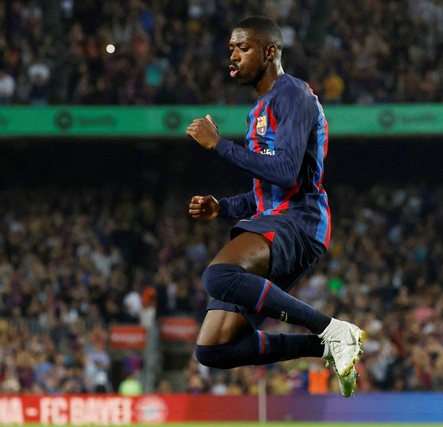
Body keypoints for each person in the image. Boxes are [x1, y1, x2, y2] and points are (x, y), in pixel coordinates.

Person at [185, 15, 364, 397]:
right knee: (213, 349)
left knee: (218, 276)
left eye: (243, 48)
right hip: (275, 219)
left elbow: (285, 174)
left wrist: (219, 145)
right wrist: (223, 207)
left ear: (270, 52)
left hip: (300, 222)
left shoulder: (293, 95)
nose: (232, 56)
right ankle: (329, 346)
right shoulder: (259, 111)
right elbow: (265, 191)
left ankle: (331, 328)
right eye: (231, 48)